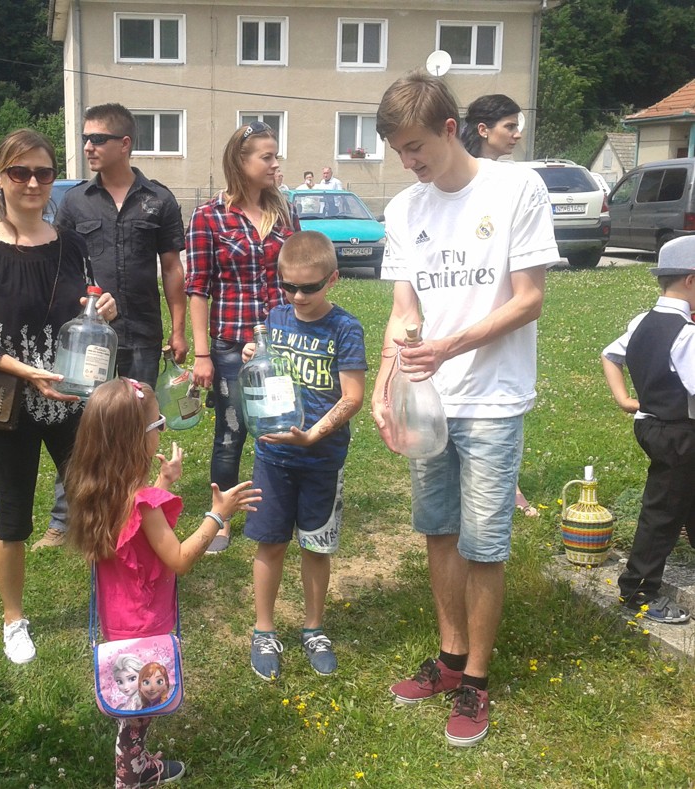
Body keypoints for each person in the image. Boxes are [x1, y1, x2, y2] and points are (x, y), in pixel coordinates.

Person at [370, 72, 558, 747]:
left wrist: (449, 346)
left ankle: (476, 678)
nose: (408, 163)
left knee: (484, 543)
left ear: (450, 129)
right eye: (398, 151)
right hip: (429, 401)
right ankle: (450, 658)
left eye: (415, 147)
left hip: (492, 399)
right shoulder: (404, 209)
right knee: (438, 530)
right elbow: (404, 311)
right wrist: (385, 387)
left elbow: (529, 298)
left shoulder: (516, 190)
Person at [0, 129, 117, 665]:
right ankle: (13, 619)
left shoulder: (72, 245)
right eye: (20, 172)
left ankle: (112, 603)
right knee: (12, 515)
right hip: (9, 403)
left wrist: (104, 310)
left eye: (44, 173)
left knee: (96, 501)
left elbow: (88, 308)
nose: (32, 183)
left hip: (73, 398)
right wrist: (26, 372)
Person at [65, 377, 261, 787]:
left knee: (133, 703)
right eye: (158, 424)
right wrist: (218, 516)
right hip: (146, 623)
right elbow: (179, 559)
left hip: (118, 620)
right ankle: (131, 776)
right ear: (134, 439)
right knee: (139, 710)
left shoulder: (98, 490)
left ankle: (135, 762)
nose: (163, 430)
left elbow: (134, 529)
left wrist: (164, 483)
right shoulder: (143, 505)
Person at [43, 104, 188, 551]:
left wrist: (178, 329)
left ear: (124, 144)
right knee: (83, 424)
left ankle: (135, 508)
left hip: (142, 332)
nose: (88, 146)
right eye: (86, 138)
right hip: (90, 338)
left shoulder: (158, 200)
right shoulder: (75, 202)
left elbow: (172, 268)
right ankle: (64, 517)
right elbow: (62, 266)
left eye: (98, 139)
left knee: (139, 424)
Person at [242, 231, 366, 682]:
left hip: (321, 459)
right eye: (287, 285)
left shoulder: (345, 328)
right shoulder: (275, 319)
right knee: (270, 542)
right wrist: (252, 354)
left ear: (332, 279)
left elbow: (352, 396)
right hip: (273, 456)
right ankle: (264, 630)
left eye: (308, 287)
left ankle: (314, 628)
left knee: (316, 546)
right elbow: (264, 373)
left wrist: (312, 435)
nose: (297, 296)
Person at [186, 121, 298, 554]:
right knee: (231, 433)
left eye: (275, 156)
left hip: (281, 342)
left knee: (281, 425)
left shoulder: (284, 211)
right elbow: (198, 288)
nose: (275, 164)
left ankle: (280, 510)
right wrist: (202, 354)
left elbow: (297, 272)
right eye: (266, 157)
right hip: (232, 345)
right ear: (240, 160)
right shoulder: (209, 217)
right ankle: (221, 519)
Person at [601, 235, 695, 625]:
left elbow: (610, 354)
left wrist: (625, 399)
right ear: (691, 280)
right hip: (679, 433)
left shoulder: (643, 321)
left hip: (651, 425)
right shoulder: (686, 334)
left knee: (686, 494)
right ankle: (638, 589)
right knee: (663, 511)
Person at [462, 93, 538, 518]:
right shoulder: (461, 183)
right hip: (467, 314)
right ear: (483, 130)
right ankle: (499, 486)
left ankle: (507, 484)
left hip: (506, 312)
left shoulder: (516, 184)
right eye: (510, 126)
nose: (517, 134)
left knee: (499, 402)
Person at [461, 94, 523, 160]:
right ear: (483, 130)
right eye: (510, 127)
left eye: (516, 127)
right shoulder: (461, 165)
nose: (518, 135)